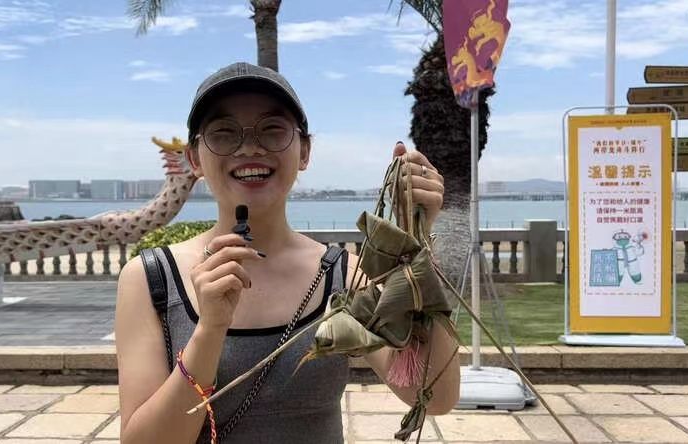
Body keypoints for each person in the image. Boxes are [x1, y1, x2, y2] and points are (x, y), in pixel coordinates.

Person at [116, 62, 460, 444]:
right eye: (224, 133)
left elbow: (433, 396)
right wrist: (209, 330)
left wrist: (417, 244)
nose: (250, 147)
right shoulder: (151, 279)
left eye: (273, 130)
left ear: (305, 151)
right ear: (195, 158)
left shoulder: (345, 275)